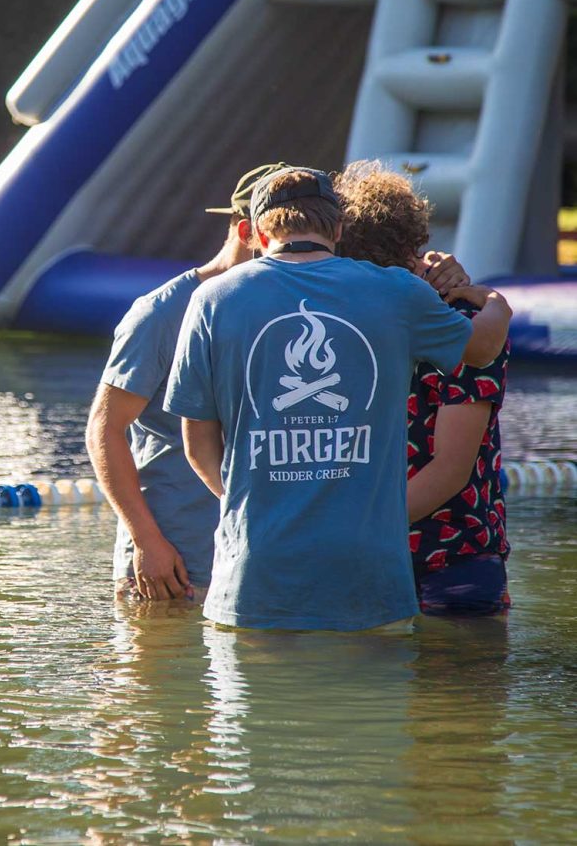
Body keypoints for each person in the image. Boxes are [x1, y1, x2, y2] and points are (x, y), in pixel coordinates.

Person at [164, 166, 511, 632]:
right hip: (370, 583)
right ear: (338, 228)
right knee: (371, 702)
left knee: (252, 703)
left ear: (260, 232)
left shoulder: (211, 300)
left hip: (253, 576)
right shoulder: (397, 292)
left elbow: (197, 442)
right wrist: (496, 302)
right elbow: (483, 347)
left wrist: (253, 501)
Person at [85, 163, 289, 605]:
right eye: (287, 242)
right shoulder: (161, 313)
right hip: (175, 561)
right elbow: (103, 429)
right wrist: (146, 542)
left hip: (252, 556)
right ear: (248, 232)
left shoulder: (283, 310)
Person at [334, 162, 511, 616]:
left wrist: (352, 533)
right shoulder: (341, 323)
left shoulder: (463, 323)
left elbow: (451, 469)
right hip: (373, 551)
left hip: (451, 561)